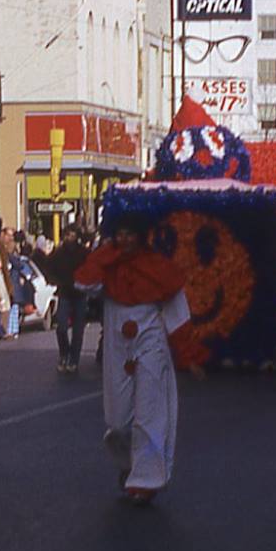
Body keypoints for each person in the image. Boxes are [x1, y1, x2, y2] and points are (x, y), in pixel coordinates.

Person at [75, 209, 190, 504]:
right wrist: (107, 255)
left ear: (141, 235)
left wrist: (190, 356)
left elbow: (178, 314)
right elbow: (84, 284)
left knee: (149, 412)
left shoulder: (158, 267)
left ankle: (146, 481)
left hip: (150, 343)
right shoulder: (108, 264)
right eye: (120, 234)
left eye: (130, 233)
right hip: (117, 345)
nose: (125, 239)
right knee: (117, 420)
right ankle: (130, 466)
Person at [37, 228, 91, 374]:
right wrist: (54, 281)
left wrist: (86, 283)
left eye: (73, 235)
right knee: (61, 327)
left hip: (80, 293)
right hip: (64, 293)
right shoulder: (58, 253)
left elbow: (91, 269)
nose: (70, 238)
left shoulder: (84, 253)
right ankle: (64, 354)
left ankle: (74, 360)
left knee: (78, 330)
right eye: (67, 235)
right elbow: (47, 267)